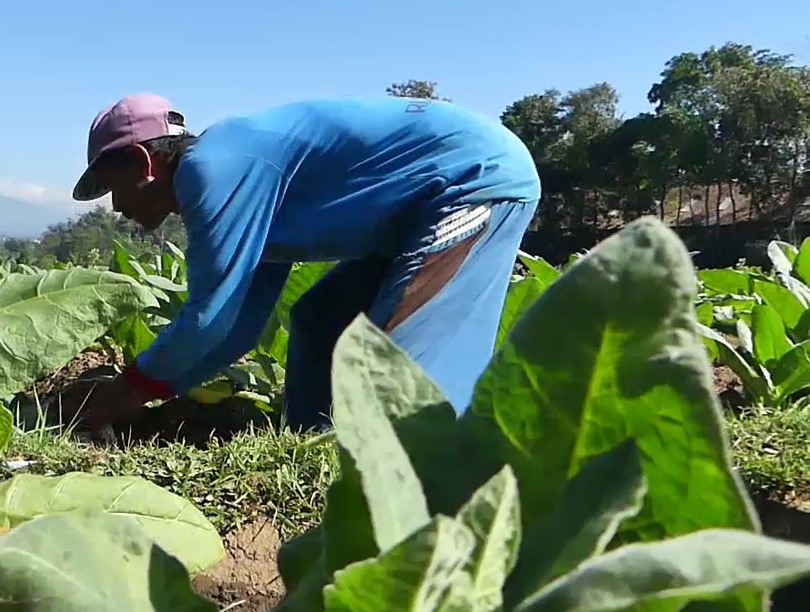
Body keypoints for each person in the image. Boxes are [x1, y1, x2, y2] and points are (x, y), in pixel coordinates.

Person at [71, 93, 541, 432]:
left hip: (470, 182)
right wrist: (146, 392)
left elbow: (208, 318)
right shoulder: (240, 175)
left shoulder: (212, 169)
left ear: (142, 163)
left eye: (114, 186)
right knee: (320, 322)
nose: (116, 207)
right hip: (412, 212)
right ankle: (312, 441)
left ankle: (425, 495)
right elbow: (238, 325)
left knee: (402, 374)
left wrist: (124, 389)